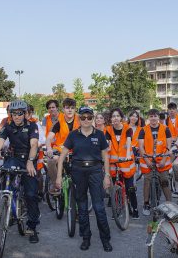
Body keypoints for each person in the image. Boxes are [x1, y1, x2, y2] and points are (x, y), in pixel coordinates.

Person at [0, 100, 41, 243]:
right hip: (13, 158)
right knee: (4, 179)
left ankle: (32, 227)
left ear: (25, 114)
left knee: (31, 194)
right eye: (14, 114)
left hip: (28, 159)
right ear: (11, 115)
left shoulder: (32, 126)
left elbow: (34, 145)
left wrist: (30, 162)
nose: (17, 116)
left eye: (20, 113)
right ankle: (6, 205)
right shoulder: (8, 127)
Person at [56, 106, 112, 252]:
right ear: (79, 119)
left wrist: (107, 175)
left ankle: (105, 239)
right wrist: (58, 176)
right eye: (83, 117)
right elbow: (62, 156)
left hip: (95, 171)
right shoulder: (73, 135)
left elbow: (105, 156)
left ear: (92, 118)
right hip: (78, 172)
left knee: (99, 207)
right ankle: (85, 238)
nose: (86, 120)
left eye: (89, 117)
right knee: (81, 207)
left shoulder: (99, 134)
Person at [105, 108, 139, 219]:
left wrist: (129, 154)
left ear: (121, 118)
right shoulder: (108, 130)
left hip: (126, 163)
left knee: (130, 188)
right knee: (115, 189)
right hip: (114, 164)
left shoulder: (127, 128)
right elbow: (107, 144)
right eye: (113, 116)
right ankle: (117, 210)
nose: (115, 118)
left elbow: (129, 141)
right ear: (110, 119)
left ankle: (135, 208)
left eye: (117, 116)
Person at [139, 108, 173, 216]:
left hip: (162, 160)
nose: (153, 118)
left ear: (158, 117)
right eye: (151, 116)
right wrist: (147, 160)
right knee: (147, 181)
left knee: (164, 181)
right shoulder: (143, 130)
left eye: (155, 116)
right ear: (148, 118)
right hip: (148, 160)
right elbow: (141, 146)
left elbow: (168, 146)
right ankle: (146, 203)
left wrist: (163, 160)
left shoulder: (165, 128)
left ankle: (170, 205)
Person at [46, 98, 79, 194]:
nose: (69, 110)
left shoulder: (81, 120)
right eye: (67, 108)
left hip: (77, 151)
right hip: (61, 151)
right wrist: (49, 149)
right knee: (51, 160)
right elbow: (49, 138)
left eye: (72, 108)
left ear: (75, 109)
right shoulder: (58, 122)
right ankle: (56, 184)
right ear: (63, 109)